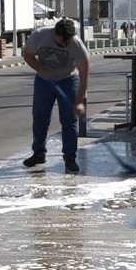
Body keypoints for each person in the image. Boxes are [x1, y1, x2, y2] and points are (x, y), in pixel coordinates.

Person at [21, 18, 89, 174]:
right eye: (60, 42)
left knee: (69, 120)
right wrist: (40, 68)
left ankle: (70, 158)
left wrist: (80, 101)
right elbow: (27, 54)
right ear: (54, 33)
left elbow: (85, 74)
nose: (64, 44)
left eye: (67, 42)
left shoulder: (77, 45)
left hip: (69, 80)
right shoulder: (40, 36)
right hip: (44, 81)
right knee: (40, 117)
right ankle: (38, 153)